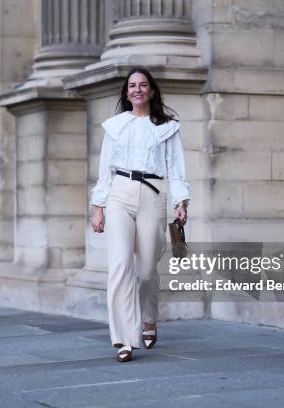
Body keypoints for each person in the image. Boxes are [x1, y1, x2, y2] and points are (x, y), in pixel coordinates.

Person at [90, 66, 190, 363]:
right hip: (120, 193)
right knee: (120, 266)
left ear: (151, 90)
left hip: (154, 195)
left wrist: (181, 202)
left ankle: (149, 319)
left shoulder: (168, 127)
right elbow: (105, 171)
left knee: (147, 271)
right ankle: (123, 338)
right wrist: (99, 207)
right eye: (132, 85)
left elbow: (176, 170)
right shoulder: (115, 126)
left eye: (142, 85)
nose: (137, 89)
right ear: (127, 92)